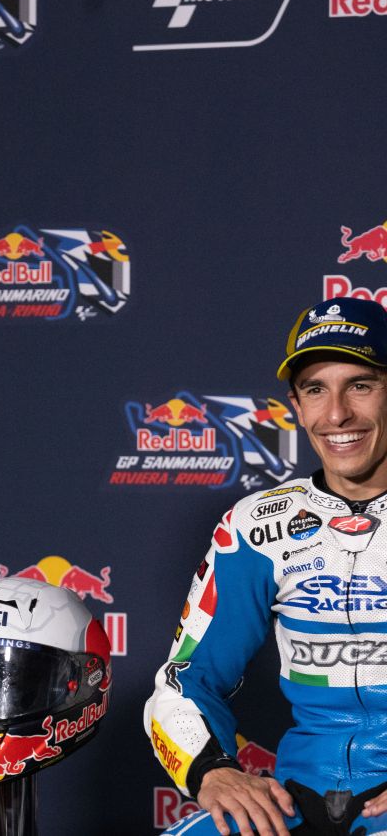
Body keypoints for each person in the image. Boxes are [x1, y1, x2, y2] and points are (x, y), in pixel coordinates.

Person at [145, 297, 387, 836]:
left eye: (360, 385)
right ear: (296, 406)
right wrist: (212, 770)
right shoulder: (258, 525)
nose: (337, 415)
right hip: (296, 799)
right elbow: (185, 680)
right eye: (315, 390)